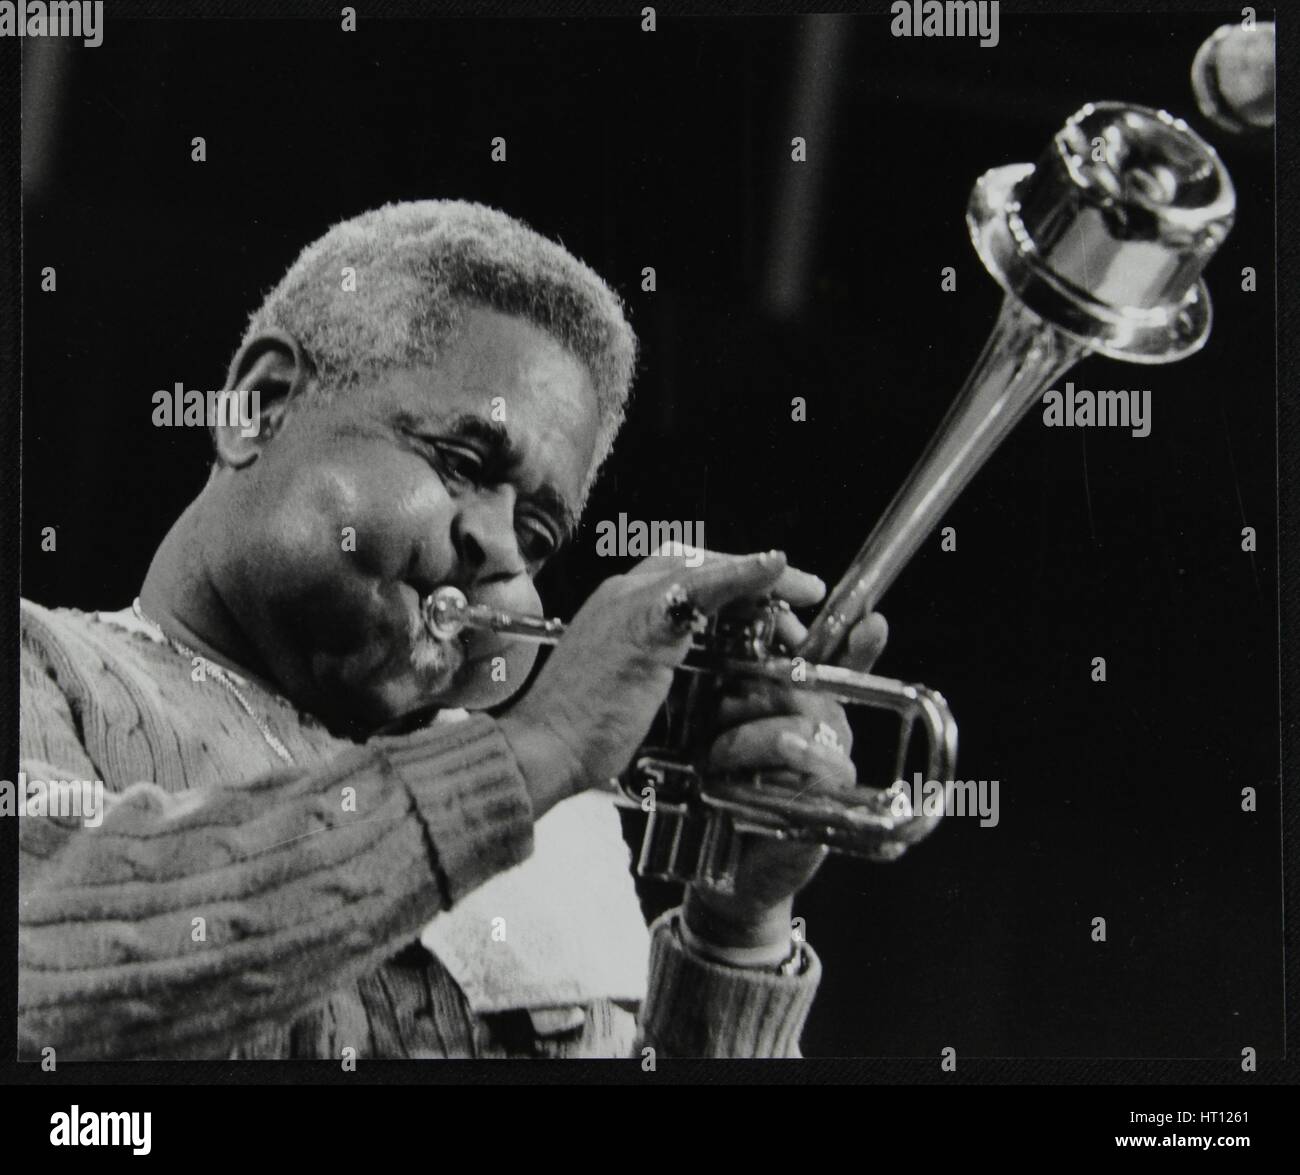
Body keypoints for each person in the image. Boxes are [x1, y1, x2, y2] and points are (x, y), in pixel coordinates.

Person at [18, 200, 888, 1059]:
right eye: (464, 464)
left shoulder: (566, 837)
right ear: (262, 404)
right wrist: (529, 753)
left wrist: (737, 932)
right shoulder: (45, 666)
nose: (501, 547)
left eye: (541, 536)